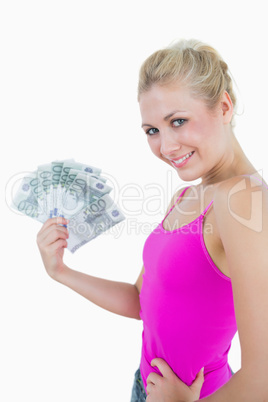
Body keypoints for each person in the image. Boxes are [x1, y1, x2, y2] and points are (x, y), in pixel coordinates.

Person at [37, 39, 268, 401]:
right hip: (144, 387)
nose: (166, 146)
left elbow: (263, 379)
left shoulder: (244, 200)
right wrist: (61, 272)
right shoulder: (189, 196)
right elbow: (141, 301)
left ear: (224, 106)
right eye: (152, 131)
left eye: (178, 121)